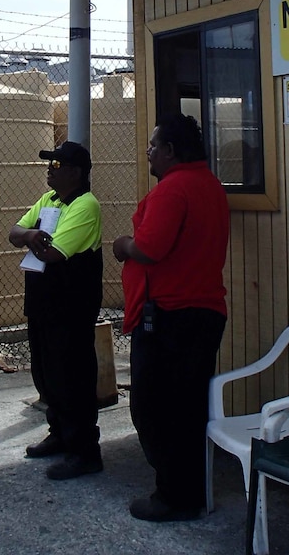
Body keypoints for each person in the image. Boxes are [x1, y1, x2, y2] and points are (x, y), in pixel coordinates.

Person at [112, 113, 230, 522]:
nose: (149, 151)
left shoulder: (172, 189)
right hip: (204, 311)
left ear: (170, 151)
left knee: (155, 407)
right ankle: (189, 489)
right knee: (188, 406)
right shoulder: (211, 186)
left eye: (153, 145)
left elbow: (149, 248)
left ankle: (174, 496)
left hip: (172, 316)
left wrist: (122, 244)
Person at [9, 140, 104, 481]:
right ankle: (59, 433)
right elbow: (14, 232)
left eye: (58, 166)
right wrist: (33, 234)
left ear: (77, 173)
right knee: (47, 372)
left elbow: (54, 253)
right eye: (51, 165)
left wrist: (33, 239)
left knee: (73, 375)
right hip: (43, 302)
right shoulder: (48, 200)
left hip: (71, 305)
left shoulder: (85, 205)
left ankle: (84, 450)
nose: (50, 170)